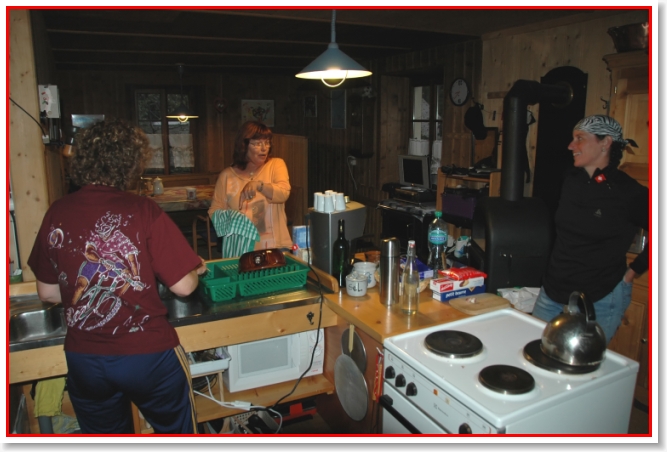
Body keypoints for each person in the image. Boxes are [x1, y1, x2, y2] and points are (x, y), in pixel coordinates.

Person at [27, 119, 207, 434]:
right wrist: (196, 268)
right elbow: (184, 286)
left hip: (85, 360)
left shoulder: (57, 211)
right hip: (147, 355)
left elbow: (48, 292)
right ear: (129, 162)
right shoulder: (143, 209)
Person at [532, 115, 649, 344]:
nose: (571, 146)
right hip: (553, 291)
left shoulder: (628, 191)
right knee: (536, 350)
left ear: (605, 142)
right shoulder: (570, 180)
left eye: (580, 138)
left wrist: (633, 271)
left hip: (599, 297)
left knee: (584, 361)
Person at [208, 121, 292, 250]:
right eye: (257, 144)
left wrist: (259, 186)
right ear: (244, 146)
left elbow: (283, 193)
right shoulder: (226, 176)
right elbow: (214, 210)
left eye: (267, 142)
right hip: (240, 248)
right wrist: (236, 220)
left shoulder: (276, 165)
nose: (264, 148)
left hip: (275, 247)